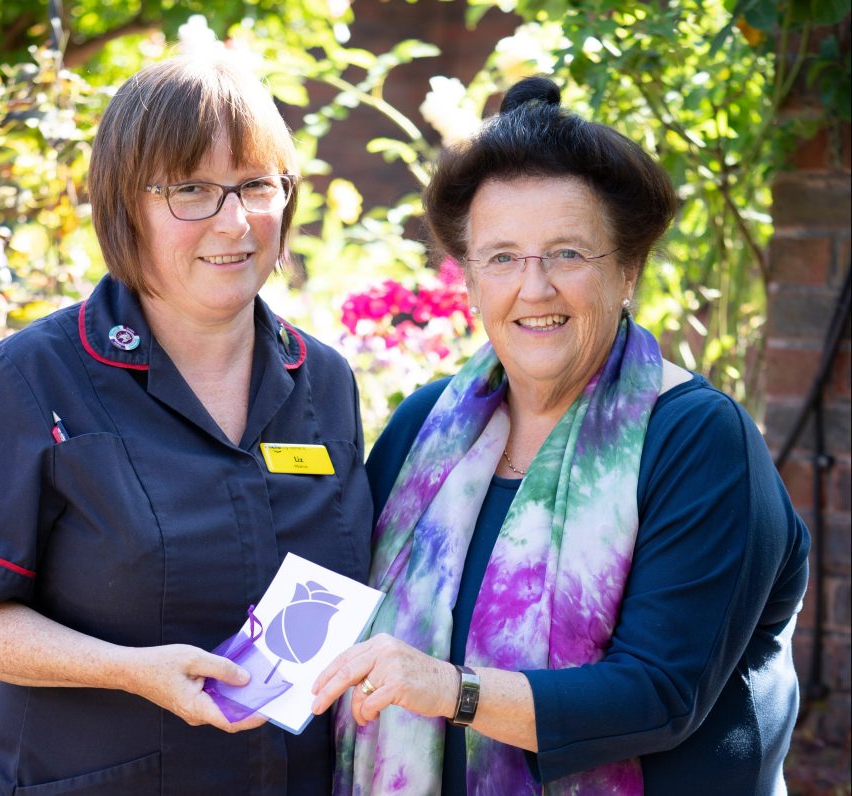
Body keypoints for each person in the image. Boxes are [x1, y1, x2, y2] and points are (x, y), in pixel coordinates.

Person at [311, 76, 810, 795]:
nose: (534, 286)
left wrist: (454, 690)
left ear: (628, 270)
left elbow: (660, 694)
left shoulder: (697, 439)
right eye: (503, 257)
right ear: (472, 280)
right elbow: (333, 600)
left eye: (569, 254)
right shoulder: (424, 430)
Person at [0, 53, 373, 795]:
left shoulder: (322, 379)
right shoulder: (35, 379)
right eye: (192, 189)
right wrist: (130, 671)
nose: (236, 221)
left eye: (257, 185)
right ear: (125, 204)